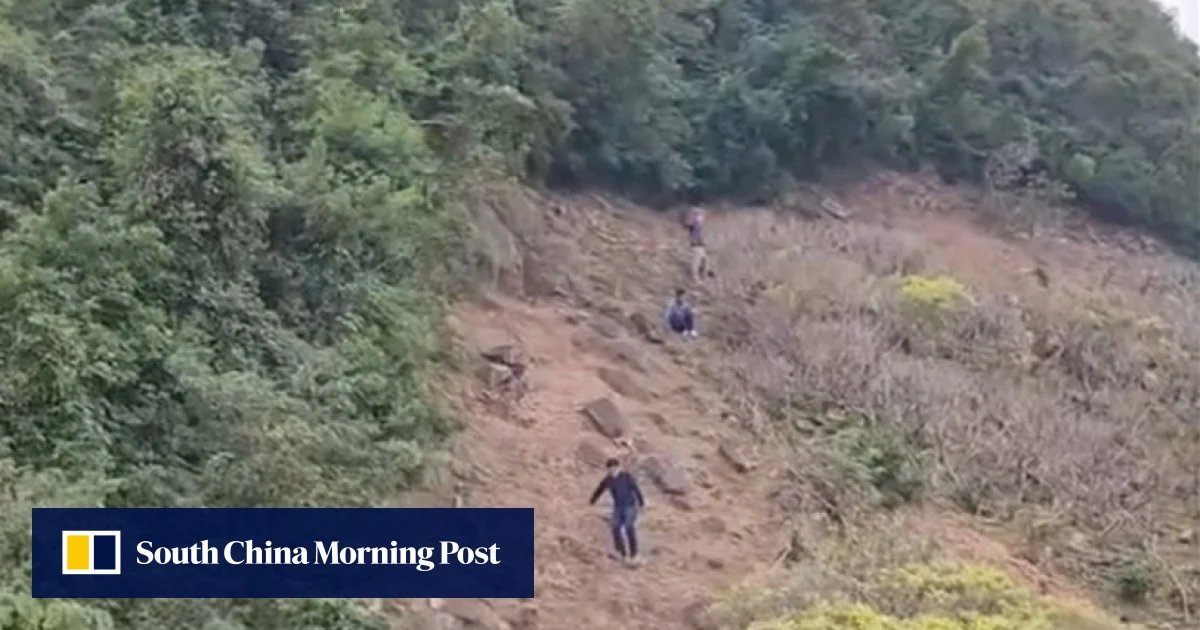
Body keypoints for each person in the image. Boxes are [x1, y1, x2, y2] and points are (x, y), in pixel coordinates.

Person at [588, 457, 646, 567]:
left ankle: (634, 553)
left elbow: (636, 488)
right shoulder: (608, 479)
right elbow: (599, 490)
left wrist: (641, 503)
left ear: (618, 467)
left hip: (630, 505)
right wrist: (592, 501)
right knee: (615, 528)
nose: (612, 471)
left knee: (629, 527)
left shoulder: (626, 476)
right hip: (618, 507)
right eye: (610, 469)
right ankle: (622, 553)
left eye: (614, 468)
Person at [683, 207, 710, 283]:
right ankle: (695, 279)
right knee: (696, 262)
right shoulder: (693, 225)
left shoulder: (700, 226)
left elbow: (702, 236)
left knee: (705, 261)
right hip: (696, 246)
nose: (702, 217)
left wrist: (705, 242)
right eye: (700, 216)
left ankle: (703, 277)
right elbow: (687, 224)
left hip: (701, 246)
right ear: (696, 216)